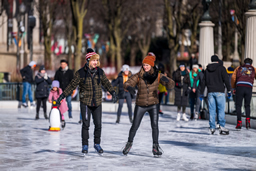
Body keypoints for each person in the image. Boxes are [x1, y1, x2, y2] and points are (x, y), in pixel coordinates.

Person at [56, 48, 118, 155]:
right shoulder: (80, 73)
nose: (95, 62)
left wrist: (113, 92)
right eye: (94, 60)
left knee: (98, 125)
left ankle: (97, 144)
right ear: (88, 60)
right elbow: (71, 86)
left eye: (97, 60)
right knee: (86, 125)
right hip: (85, 102)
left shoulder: (100, 72)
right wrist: (62, 96)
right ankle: (85, 145)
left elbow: (106, 83)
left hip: (97, 102)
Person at [122, 55, 174, 157]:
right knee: (135, 126)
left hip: (153, 104)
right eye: (144, 65)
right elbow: (126, 83)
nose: (145, 67)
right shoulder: (138, 75)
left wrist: (168, 81)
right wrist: (130, 88)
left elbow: (171, 84)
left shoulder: (158, 76)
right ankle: (129, 144)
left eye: (147, 65)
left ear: (151, 65)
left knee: (155, 126)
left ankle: (155, 147)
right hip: (140, 105)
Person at [200, 55, 231, 135]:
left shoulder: (207, 70)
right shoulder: (221, 68)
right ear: (217, 61)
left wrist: (201, 92)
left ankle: (212, 127)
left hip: (210, 92)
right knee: (221, 110)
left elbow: (203, 82)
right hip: (220, 92)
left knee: (212, 110)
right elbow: (226, 80)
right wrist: (229, 90)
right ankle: (221, 126)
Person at [231, 58, 256, 130]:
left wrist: (234, 87)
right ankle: (248, 121)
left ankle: (239, 122)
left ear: (244, 63)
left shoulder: (238, 68)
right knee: (247, 105)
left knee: (238, 105)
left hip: (240, 86)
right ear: (251, 63)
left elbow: (233, 78)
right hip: (248, 87)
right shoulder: (253, 69)